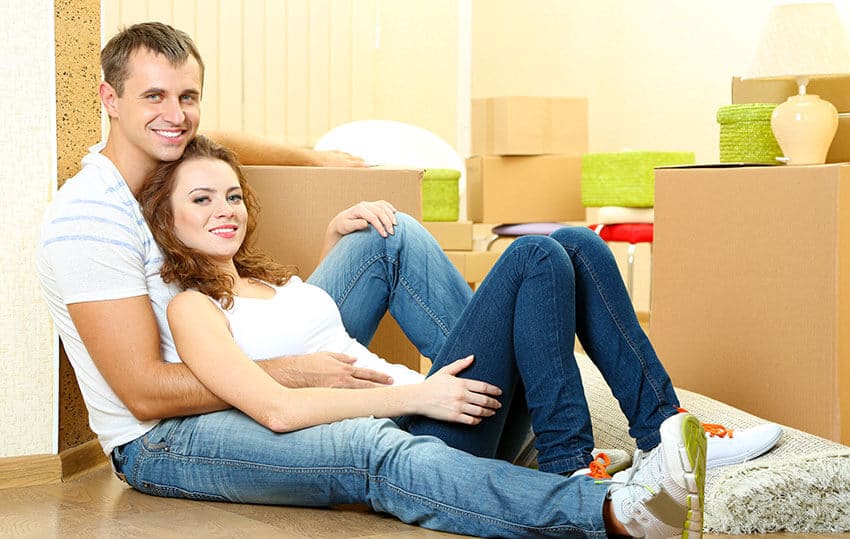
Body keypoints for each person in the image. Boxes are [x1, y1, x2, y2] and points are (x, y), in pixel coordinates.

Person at [138, 133, 706, 538]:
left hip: (441, 401)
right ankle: (570, 465)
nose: (225, 210)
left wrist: (334, 239)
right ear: (166, 219)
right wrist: (420, 395)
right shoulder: (192, 307)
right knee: (534, 256)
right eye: (201, 199)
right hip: (418, 428)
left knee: (577, 243)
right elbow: (277, 410)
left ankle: (661, 430)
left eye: (233, 196)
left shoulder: (267, 282)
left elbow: (314, 329)